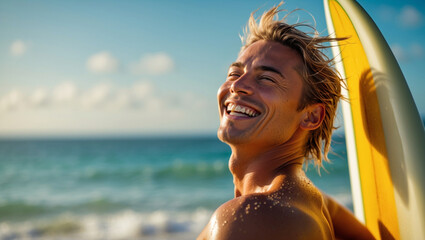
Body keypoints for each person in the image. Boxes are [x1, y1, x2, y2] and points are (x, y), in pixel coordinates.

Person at [197, 3, 375, 240]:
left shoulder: (248, 219)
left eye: (267, 78)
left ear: (311, 116)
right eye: (234, 74)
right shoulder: (314, 202)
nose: (237, 86)